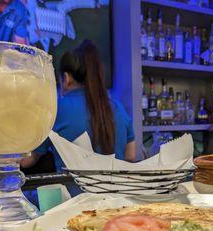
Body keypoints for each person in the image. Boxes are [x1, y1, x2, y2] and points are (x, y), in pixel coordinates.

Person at [22, 40, 136, 172]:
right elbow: (130, 156)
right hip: (117, 191)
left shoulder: (55, 110)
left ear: (66, 78)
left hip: (72, 193)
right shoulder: (118, 108)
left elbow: (26, 161)